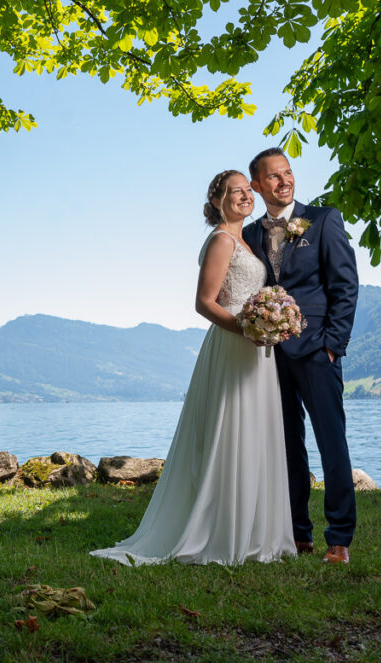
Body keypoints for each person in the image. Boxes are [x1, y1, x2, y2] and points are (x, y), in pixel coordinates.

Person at [90, 170, 296, 566]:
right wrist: (246, 328)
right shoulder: (222, 241)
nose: (245, 197)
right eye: (235, 191)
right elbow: (204, 302)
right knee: (229, 433)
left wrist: (271, 323)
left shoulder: (244, 242)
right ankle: (221, 530)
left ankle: (255, 532)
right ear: (218, 199)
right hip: (235, 343)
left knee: (254, 432)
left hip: (257, 347)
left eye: (247, 191)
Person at [244, 148, 359, 565]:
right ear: (257, 185)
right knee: (286, 445)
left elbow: (345, 285)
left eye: (287, 173)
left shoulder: (324, 219)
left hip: (316, 350)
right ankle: (297, 533)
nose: (283, 181)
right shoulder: (253, 233)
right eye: (273, 176)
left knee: (332, 442)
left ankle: (339, 538)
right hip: (268, 357)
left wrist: (333, 345)